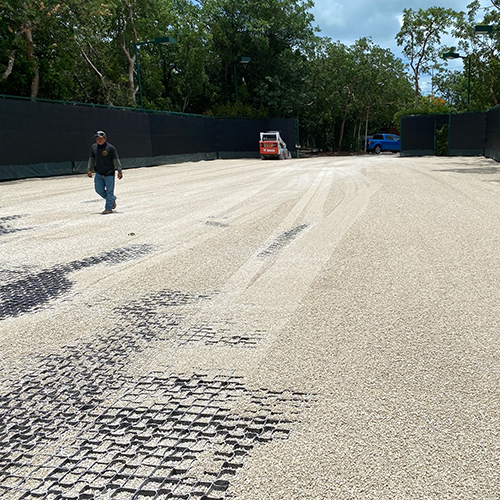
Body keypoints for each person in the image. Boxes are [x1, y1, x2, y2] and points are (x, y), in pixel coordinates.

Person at [87, 131, 123, 214]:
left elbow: (116, 160)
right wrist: (89, 169)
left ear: (105, 138)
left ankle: (108, 208)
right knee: (98, 189)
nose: (98, 140)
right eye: (97, 138)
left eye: (100, 138)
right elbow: (91, 159)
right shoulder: (94, 147)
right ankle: (112, 198)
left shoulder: (111, 148)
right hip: (99, 173)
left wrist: (119, 171)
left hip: (109, 173)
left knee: (110, 191)